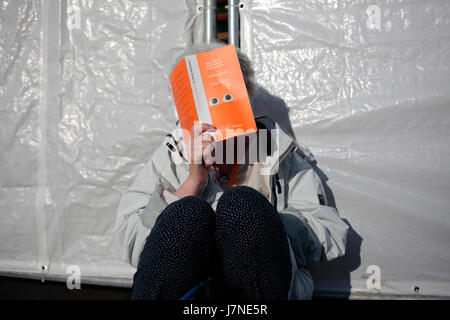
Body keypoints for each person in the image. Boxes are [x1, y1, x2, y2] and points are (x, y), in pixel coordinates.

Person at [113, 41, 349, 300]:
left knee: (242, 205)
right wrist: (193, 181)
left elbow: (330, 232)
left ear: (245, 94)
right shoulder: (172, 154)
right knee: (187, 213)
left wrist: (260, 227)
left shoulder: (276, 151)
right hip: (188, 289)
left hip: (260, 286)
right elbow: (131, 240)